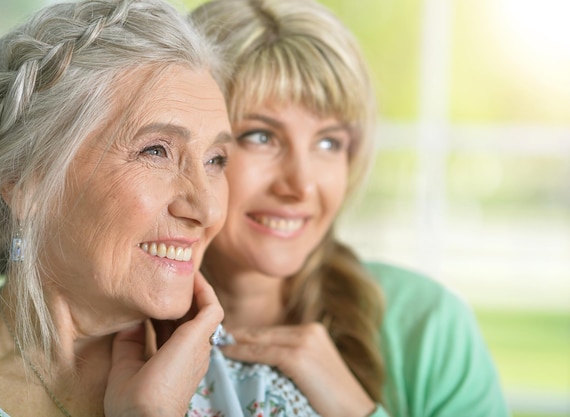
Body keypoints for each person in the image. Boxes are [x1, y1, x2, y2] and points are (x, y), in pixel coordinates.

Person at [189, 0, 511, 416]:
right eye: (261, 136)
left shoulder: (426, 326)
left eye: (328, 142)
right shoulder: (112, 334)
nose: (301, 185)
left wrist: (355, 408)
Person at [0, 0, 232, 415]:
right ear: (26, 182)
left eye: (216, 160)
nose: (206, 210)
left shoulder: (250, 388)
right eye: (155, 150)